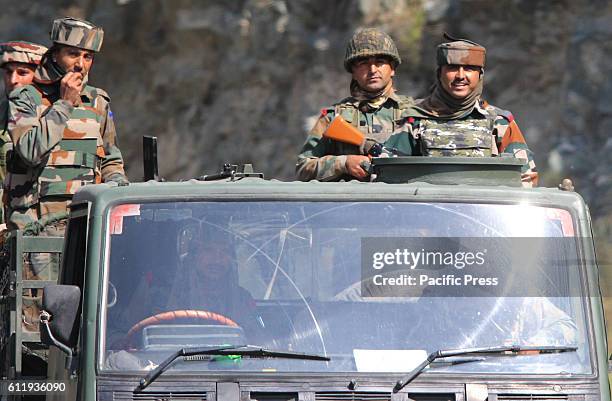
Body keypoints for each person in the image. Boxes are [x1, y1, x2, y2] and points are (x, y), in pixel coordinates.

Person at [6, 17, 128, 333]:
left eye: (88, 57)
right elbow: (30, 151)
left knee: (86, 315)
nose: (81, 64)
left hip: (85, 227)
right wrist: (63, 105)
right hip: (39, 229)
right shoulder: (27, 97)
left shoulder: (99, 102)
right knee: (37, 323)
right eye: (74, 54)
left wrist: (117, 188)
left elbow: (112, 159)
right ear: (56, 53)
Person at [387, 34, 538, 187]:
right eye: (452, 68)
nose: (460, 76)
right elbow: (388, 175)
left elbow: (525, 179)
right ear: (440, 74)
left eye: (469, 68)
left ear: (480, 75)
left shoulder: (499, 123)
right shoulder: (415, 120)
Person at [296, 28, 414, 181]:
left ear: (392, 68)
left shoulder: (414, 114)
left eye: (380, 62)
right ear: (353, 71)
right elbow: (303, 169)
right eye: (364, 63)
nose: (372, 70)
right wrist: (343, 163)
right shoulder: (334, 117)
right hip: (351, 201)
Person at [0, 41, 48, 224]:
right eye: (8, 72)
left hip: (43, 224)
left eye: (23, 73)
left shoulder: (53, 117)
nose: (13, 80)